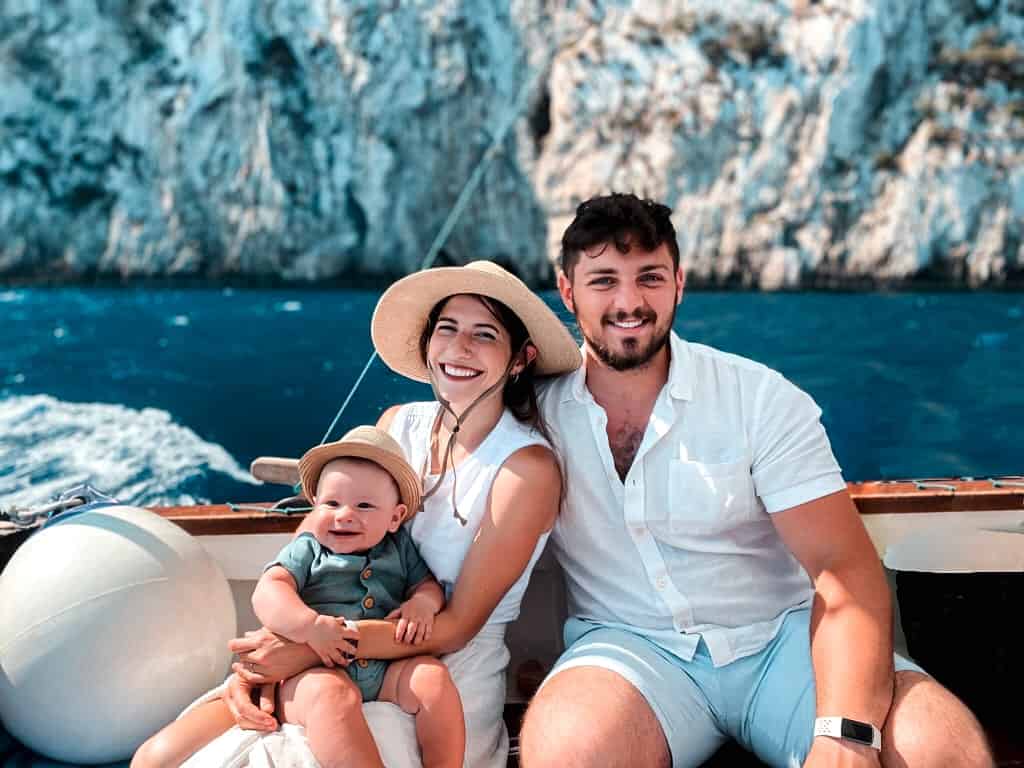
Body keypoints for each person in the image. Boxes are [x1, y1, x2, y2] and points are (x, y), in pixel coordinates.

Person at [517, 193, 994, 768]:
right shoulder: (533, 417)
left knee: (943, 750)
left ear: (679, 284)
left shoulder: (759, 399)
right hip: (629, 651)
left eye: (649, 277)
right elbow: (440, 430)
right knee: (567, 752)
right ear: (567, 292)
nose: (628, 301)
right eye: (603, 281)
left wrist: (846, 739)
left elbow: (843, 569)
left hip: (784, 642)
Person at [182, 260, 582, 768]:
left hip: (439, 678)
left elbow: (456, 627)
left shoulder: (526, 468)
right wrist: (272, 657)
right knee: (193, 752)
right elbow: (311, 543)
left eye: (484, 334)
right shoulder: (397, 425)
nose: (460, 348)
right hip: (328, 648)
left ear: (520, 359)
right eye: (447, 329)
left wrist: (307, 649)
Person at [133, 426, 465, 768]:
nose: (344, 514)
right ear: (314, 506)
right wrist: (309, 626)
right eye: (331, 503)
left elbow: (426, 585)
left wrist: (423, 603)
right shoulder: (309, 549)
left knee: (433, 679)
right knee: (331, 695)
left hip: (382, 671)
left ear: (395, 518)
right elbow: (269, 589)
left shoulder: (399, 549)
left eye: (364, 505)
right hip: (305, 673)